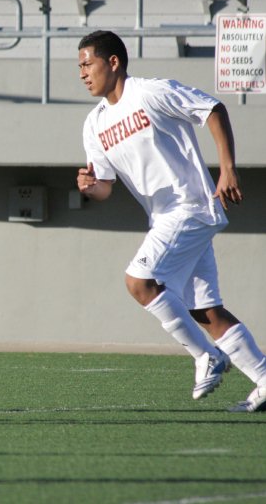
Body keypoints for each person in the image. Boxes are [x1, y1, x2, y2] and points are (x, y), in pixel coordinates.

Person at [76, 30, 266, 412]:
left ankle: (206, 357)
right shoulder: (94, 123)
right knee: (205, 311)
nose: (82, 73)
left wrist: (227, 169)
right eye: (78, 66)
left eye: (87, 63)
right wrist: (89, 187)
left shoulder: (150, 92)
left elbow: (212, 109)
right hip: (164, 217)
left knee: (138, 282)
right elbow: (106, 188)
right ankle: (264, 378)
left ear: (113, 62)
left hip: (190, 206)